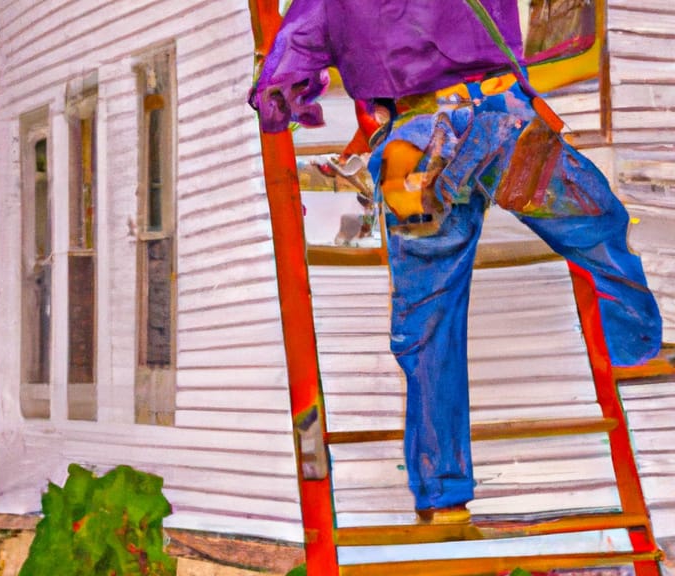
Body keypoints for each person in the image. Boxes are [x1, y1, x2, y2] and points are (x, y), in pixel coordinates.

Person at [249, 0, 663, 524]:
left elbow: (284, 77)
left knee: (429, 319)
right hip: (492, 125)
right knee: (593, 223)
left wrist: (281, 96)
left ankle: (442, 492)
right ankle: (631, 342)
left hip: (421, 145)